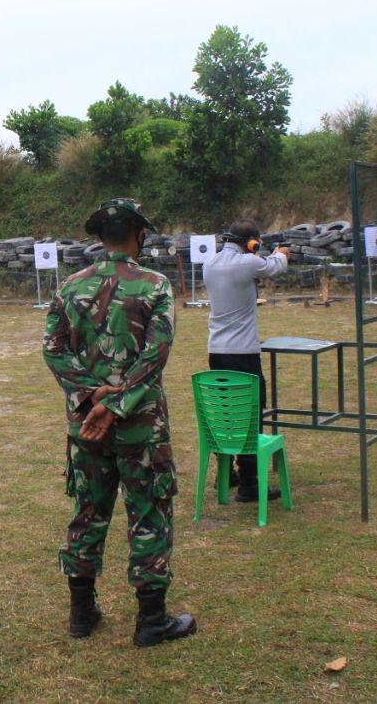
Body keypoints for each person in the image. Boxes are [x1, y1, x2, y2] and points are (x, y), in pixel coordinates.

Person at [43, 198, 196, 648]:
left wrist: (93, 396)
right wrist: (120, 400)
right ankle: (151, 622)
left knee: (88, 511)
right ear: (140, 235)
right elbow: (157, 353)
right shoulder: (155, 285)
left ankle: (81, 612)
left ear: (99, 236)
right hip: (141, 428)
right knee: (148, 512)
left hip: (87, 425)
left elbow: (53, 350)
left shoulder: (70, 286)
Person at [201, 218, 290, 502]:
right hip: (243, 353)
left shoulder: (210, 264)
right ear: (251, 243)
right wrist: (281, 253)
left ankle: (227, 472)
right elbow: (276, 267)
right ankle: (250, 484)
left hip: (217, 350)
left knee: (226, 413)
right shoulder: (248, 263)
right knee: (250, 415)